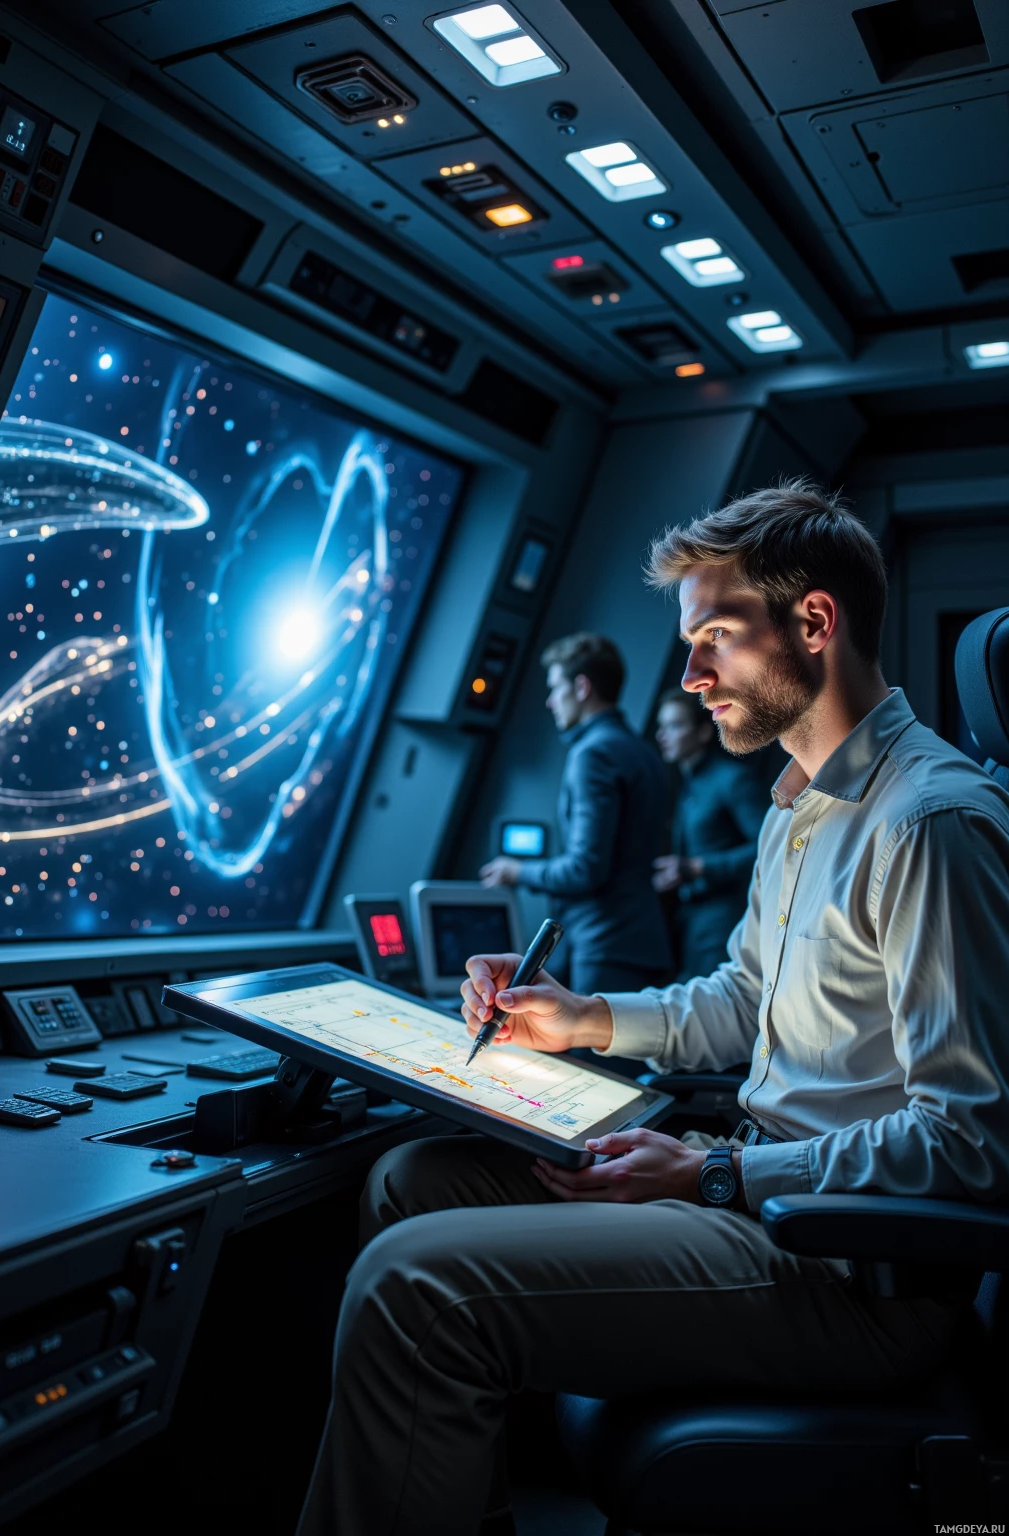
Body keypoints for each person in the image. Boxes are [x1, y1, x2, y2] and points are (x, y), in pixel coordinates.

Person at [298, 480, 1009, 1536]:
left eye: (714, 639)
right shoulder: (799, 806)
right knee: (413, 1183)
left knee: (415, 1287)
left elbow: (970, 1144)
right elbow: (742, 998)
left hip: (847, 1268)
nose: (688, 676)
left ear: (813, 624)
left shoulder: (930, 823)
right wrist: (580, 1018)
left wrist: (719, 1170)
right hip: (756, 1190)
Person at [478, 632, 671, 995]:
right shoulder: (643, 751)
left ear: (581, 687)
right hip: (642, 943)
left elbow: (586, 868)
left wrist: (516, 871)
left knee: (589, 1054)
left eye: (556, 688)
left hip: (604, 950)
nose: (551, 701)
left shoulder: (593, 753)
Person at [653, 686, 766, 979]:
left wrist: (697, 867)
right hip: (690, 919)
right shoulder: (687, 783)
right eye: (661, 726)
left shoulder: (733, 780)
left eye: (675, 725)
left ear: (704, 732)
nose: (662, 736)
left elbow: (768, 847)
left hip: (725, 920)